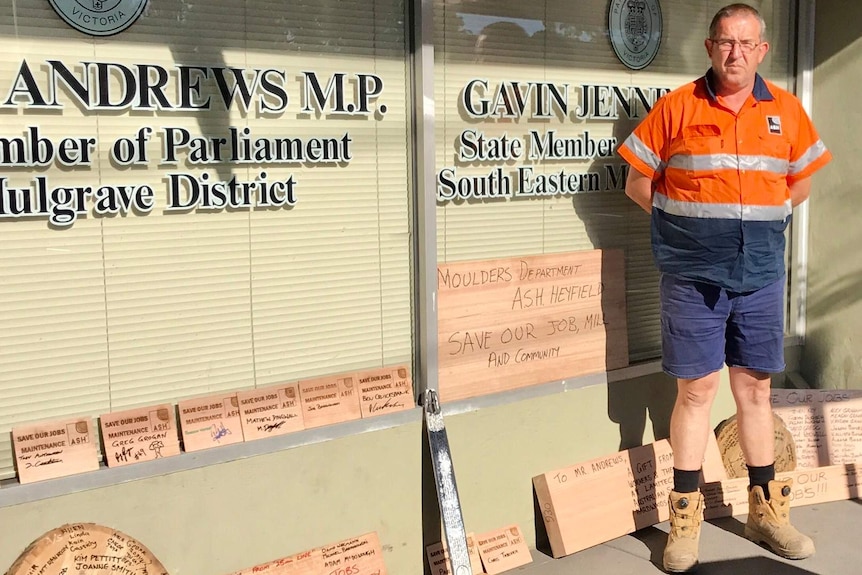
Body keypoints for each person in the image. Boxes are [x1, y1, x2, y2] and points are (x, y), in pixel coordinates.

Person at [616, 4, 831, 572]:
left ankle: (766, 512)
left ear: (762, 50)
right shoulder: (676, 107)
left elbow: (799, 184)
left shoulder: (786, 110)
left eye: (747, 43)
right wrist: (683, 230)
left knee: (756, 391)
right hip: (692, 277)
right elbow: (639, 181)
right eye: (725, 42)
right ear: (709, 47)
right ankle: (684, 519)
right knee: (694, 393)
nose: (735, 53)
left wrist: (754, 225)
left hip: (759, 275)